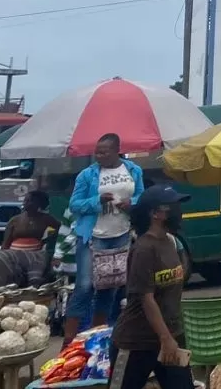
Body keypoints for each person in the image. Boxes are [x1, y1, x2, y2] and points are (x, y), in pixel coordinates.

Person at [110, 185, 192, 389]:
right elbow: (147, 299)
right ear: (155, 214)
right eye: (171, 207)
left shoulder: (171, 242)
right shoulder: (144, 249)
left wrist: (172, 335)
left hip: (170, 337)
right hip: (136, 341)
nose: (177, 212)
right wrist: (165, 338)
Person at [67, 133, 143, 341]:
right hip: (93, 236)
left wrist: (131, 203)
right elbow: (74, 205)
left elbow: (141, 197)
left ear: (117, 150)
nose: (98, 155)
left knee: (109, 287)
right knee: (84, 286)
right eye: (97, 151)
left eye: (104, 151)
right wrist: (97, 200)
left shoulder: (133, 170)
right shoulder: (87, 175)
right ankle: (68, 341)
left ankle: (97, 336)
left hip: (120, 234)